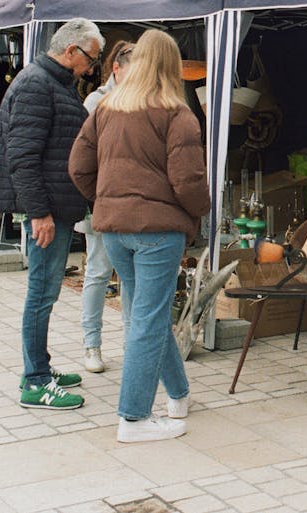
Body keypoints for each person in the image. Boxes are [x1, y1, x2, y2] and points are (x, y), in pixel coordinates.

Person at [69, 28, 209, 443]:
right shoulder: (176, 114)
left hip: (114, 229)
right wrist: (200, 211)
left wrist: (107, 200)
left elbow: (78, 166)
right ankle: (133, 418)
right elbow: (188, 181)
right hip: (157, 230)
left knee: (148, 316)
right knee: (147, 320)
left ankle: (179, 396)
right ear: (172, 65)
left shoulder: (107, 108)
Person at [0, 18, 104, 411]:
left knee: (46, 292)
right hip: (47, 211)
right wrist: (38, 212)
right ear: (71, 50)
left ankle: (39, 367)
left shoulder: (50, 82)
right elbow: (21, 157)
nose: (91, 68)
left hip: (54, 206)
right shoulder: (37, 84)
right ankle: (36, 381)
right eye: (90, 58)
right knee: (41, 293)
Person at [77, 39, 135, 374]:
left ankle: (132, 343)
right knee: (98, 270)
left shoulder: (140, 99)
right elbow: (84, 155)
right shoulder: (96, 101)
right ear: (117, 68)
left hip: (128, 201)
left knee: (129, 276)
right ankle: (91, 343)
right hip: (101, 198)